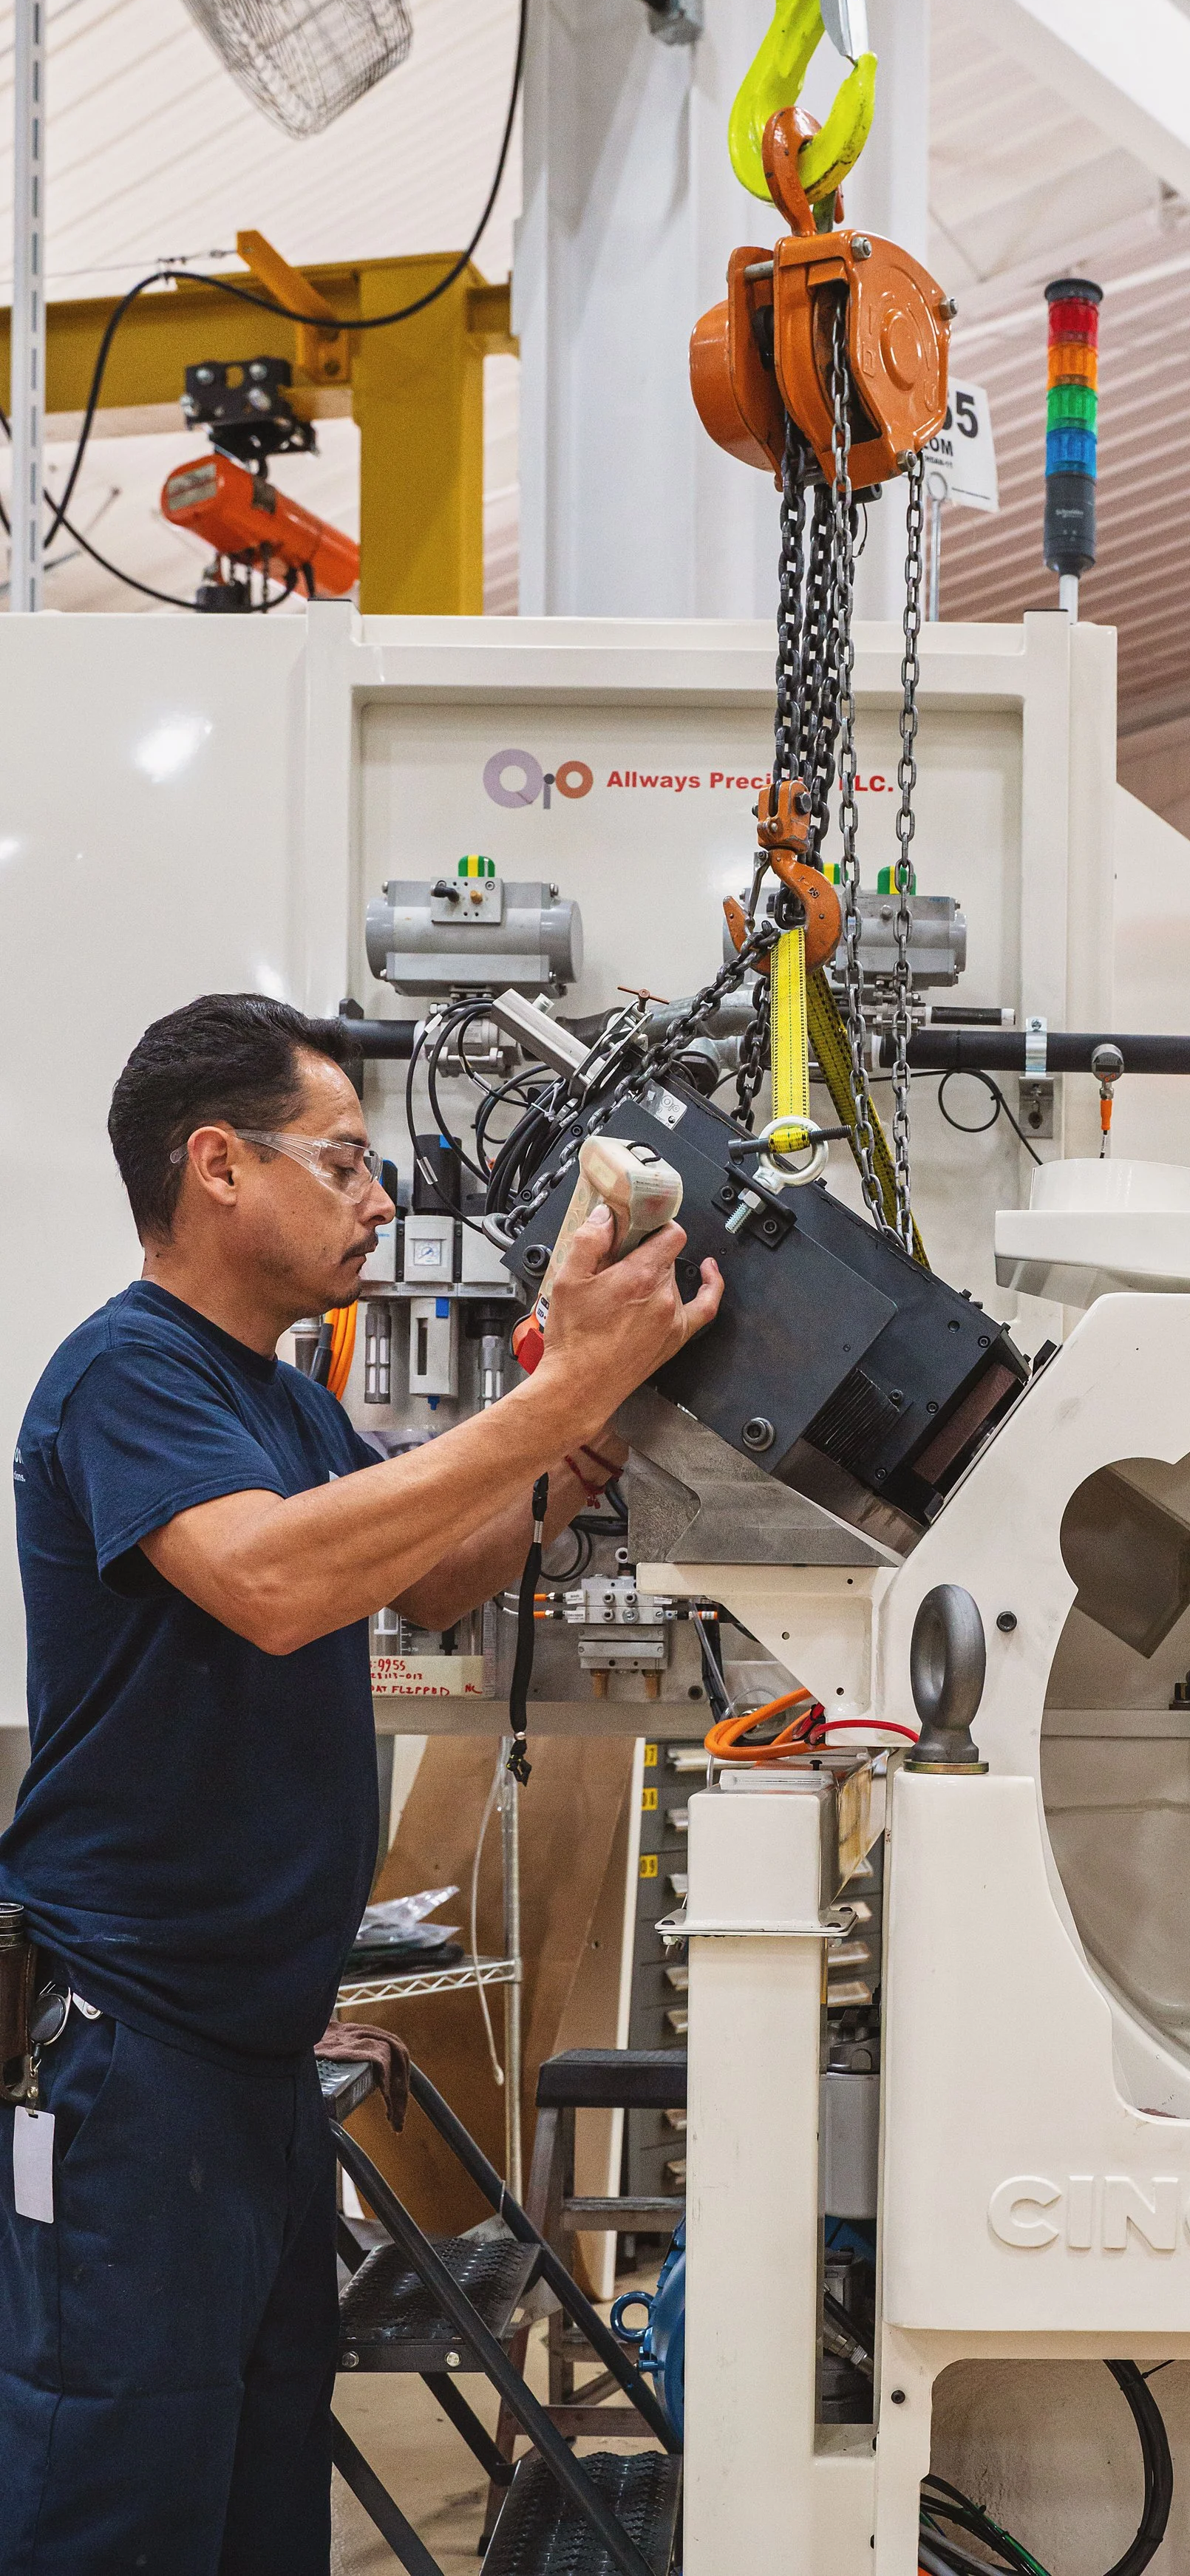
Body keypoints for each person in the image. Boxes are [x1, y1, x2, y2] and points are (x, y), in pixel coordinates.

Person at [0, 992, 721, 2575]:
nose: (381, 1197)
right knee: (119, 2490)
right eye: (343, 1161)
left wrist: (576, 1433)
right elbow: (269, 1583)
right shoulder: (126, 1374)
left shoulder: (281, 1391)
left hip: (249, 2056)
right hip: (138, 2063)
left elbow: (434, 1578)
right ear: (217, 1167)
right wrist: (547, 1396)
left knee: (259, 2490)